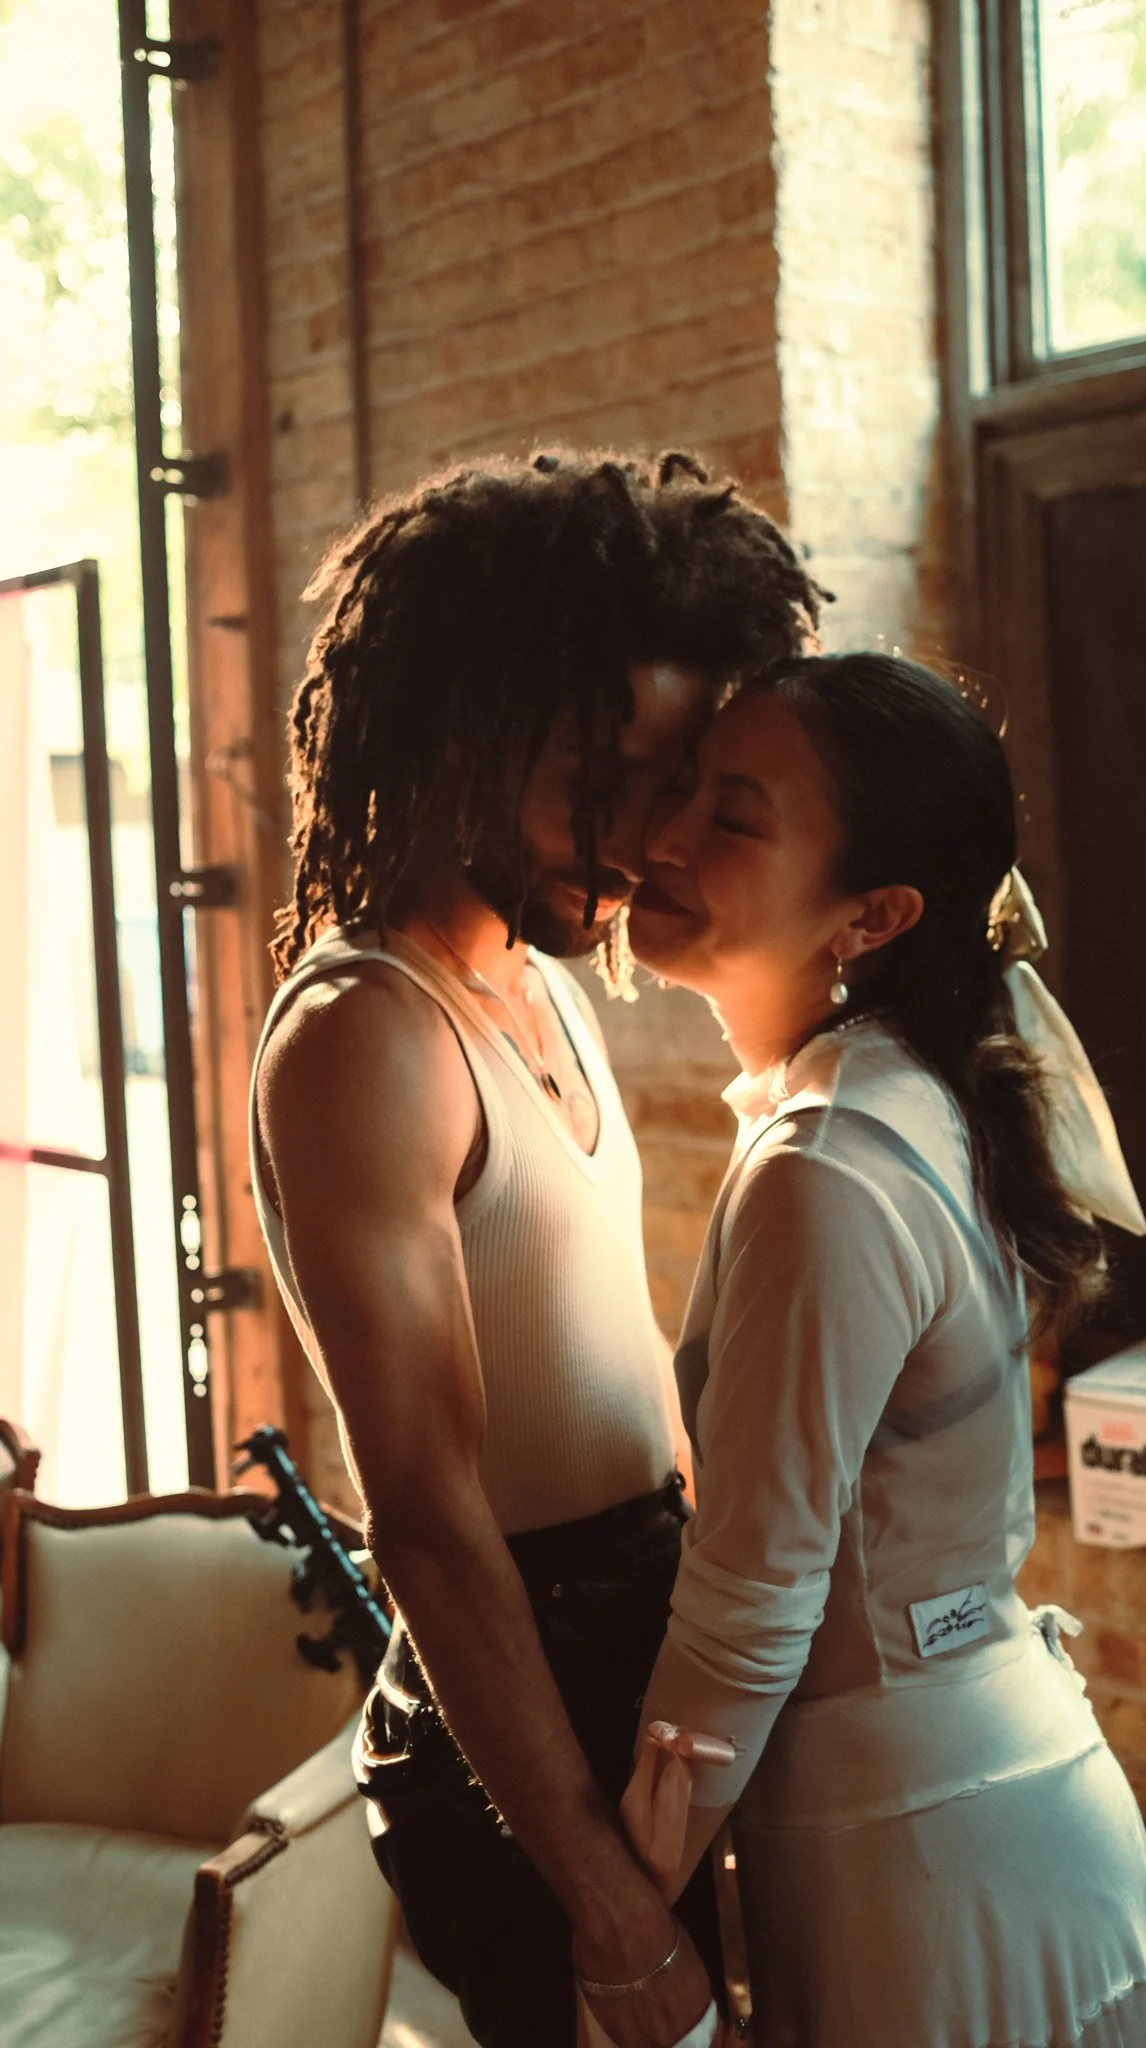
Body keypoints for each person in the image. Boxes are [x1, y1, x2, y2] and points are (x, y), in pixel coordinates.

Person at [248, 449, 823, 2048]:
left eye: (668, 783)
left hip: (634, 1653)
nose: (640, 838)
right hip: (523, 1730)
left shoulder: (540, 978)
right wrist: (608, 1905)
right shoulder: (368, 1035)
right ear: (461, 731)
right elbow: (430, 1523)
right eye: (598, 778)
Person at [627, 651, 1146, 2047]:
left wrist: (625, 1902)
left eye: (732, 818)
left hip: (925, 1862)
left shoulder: (827, 1168)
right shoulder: (906, 1091)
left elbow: (756, 1595)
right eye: (681, 789)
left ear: (872, 914)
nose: (663, 837)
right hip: (978, 1800)